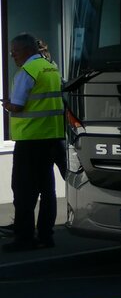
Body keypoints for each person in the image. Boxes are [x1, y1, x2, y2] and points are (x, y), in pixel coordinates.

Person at [3, 33, 65, 251]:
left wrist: (7, 105)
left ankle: (24, 238)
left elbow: (18, 105)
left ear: (28, 50)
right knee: (47, 189)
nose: (12, 56)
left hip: (30, 139)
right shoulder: (51, 68)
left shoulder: (27, 71)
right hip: (52, 137)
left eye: (15, 52)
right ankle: (46, 236)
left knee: (23, 191)